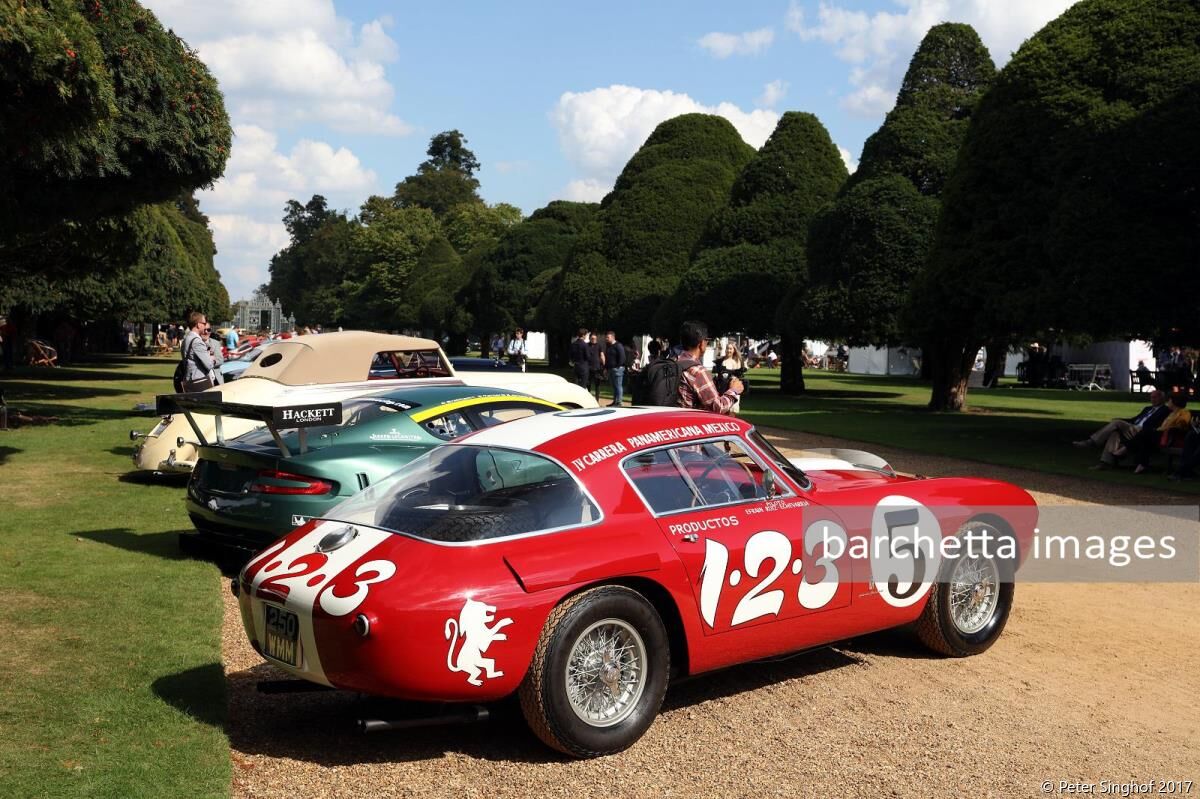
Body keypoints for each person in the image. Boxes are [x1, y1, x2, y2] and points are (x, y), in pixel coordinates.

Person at [1073, 389, 1169, 468]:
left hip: (1144, 432)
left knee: (1117, 423)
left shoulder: (1165, 410)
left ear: (1162, 398)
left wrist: (1119, 421)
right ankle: (1105, 462)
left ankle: (1092, 442)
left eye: (1155, 397)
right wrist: (1120, 419)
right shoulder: (1147, 408)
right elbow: (1133, 419)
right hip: (1133, 429)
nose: (1152, 399)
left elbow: (1157, 425)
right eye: (1151, 397)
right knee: (1115, 433)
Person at [676, 321, 743, 415]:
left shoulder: (674, 361)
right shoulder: (698, 371)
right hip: (690, 423)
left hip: (670, 421)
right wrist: (734, 390)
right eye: (707, 340)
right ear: (701, 343)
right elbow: (718, 407)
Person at [1128, 394, 1190, 474]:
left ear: (1174, 402)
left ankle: (1126, 450)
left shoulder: (1184, 412)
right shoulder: (1172, 413)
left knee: (1145, 434)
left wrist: (1176, 424)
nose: (1168, 403)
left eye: (1169, 401)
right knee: (1145, 439)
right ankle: (1141, 464)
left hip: (1168, 437)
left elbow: (1182, 424)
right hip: (1160, 434)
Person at [180, 312, 216, 392]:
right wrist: (212, 358)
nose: (205, 326)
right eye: (204, 323)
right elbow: (209, 365)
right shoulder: (197, 341)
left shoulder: (186, 339)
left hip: (189, 379)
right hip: (199, 382)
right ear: (199, 324)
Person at [604, 330, 626, 406]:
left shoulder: (618, 345)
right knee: (614, 386)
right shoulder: (608, 346)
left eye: (608, 337)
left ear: (613, 337)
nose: (606, 338)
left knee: (618, 385)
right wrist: (606, 368)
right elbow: (607, 357)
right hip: (610, 369)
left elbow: (622, 357)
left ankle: (619, 402)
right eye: (606, 337)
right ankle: (615, 401)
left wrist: (617, 366)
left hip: (617, 369)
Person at [587, 332, 604, 401]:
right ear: (590, 338)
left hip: (597, 368)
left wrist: (603, 365)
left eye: (594, 338)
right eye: (592, 338)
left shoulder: (599, 346)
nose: (593, 339)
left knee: (597, 385)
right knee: (588, 384)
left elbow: (602, 355)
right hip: (588, 368)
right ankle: (588, 399)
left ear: (596, 339)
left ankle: (597, 399)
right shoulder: (586, 345)